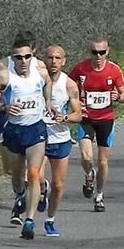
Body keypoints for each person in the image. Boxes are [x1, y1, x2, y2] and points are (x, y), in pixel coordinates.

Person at [0, 31, 53, 239]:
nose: (23, 61)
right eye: (18, 57)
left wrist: (47, 102)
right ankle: (20, 194)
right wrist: (3, 106)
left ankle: (29, 221)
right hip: (14, 131)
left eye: (26, 56)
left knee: (33, 173)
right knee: (15, 177)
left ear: (32, 54)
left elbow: (47, 84)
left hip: (35, 130)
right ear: (12, 58)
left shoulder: (40, 71)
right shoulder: (5, 74)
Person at [68, 37, 124, 212]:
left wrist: (118, 97)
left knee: (102, 162)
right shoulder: (81, 68)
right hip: (86, 119)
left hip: (106, 119)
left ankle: (100, 196)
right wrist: (74, 104)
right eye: (94, 52)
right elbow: (67, 86)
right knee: (87, 158)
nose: (98, 56)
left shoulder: (114, 70)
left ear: (107, 51)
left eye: (102, 52)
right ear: (90, 52)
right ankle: (89, 174)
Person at [38, 45, 82, 236]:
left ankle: (50, 220)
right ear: (44, 60)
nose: (53, 61)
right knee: (35, 176)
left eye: (57, 58)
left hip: (61, 138)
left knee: (58, 185)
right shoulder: (35, 81)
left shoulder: (69, 85)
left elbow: (79, 115)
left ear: (64, 61)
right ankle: (41, 188)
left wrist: (64, 118)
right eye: (50, 58)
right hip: (38, 137)